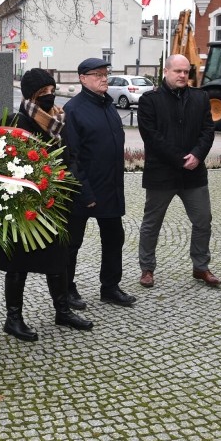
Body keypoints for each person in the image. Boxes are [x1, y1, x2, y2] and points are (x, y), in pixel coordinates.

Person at [0, 68, 93, 342]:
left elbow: (69, 154)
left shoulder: (57, 120)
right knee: (19, 264)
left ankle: (62, 310)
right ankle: (13, 318)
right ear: (32, 95)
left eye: (52, 90)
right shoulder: (17, 121)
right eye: (44, 93)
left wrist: (69, 180)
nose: (50, 97)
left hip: (55, 203)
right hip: (25, 204)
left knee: (58, 258)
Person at [137, 54, 221, 289]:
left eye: (186, 71)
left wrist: (197, 155)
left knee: (203, 220)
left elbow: (208, 131)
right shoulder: (149, 100)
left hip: (194, 174)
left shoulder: (200, 97)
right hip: (161, 173)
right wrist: (180, 159)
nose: (183, 75)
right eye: (178, 71)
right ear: (166, 71)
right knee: (152, 223)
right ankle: (147, 268)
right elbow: (151, 137)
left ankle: (201, 267)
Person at [62, 58, 136, 309]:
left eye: (105, 73)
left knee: (114, 238)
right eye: (97, 74)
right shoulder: (73, 110)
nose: (104, 78)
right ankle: (66, 288)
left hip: (111, 187)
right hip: (84, 191)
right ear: (83, 78)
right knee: (72, 243)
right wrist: (85, 192)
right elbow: (71, 157)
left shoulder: (108, 105)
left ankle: (110, 287)